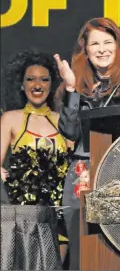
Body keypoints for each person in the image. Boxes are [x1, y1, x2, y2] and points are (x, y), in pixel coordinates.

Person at [54, 17, 120, 269]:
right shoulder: (75, 85)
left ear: (118, 45)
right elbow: (69, 131)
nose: (101, 49)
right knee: (83, 252)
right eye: (94, 44)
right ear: (85, 50)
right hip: (82, 175)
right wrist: (70, 88)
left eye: (108, 42)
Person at [0, 49, 70, 261]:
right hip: (22, 217)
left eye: (44, 79)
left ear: (51, 85)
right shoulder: (11, 118)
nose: (37, 85)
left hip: (59, 215)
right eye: (30, 79)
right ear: (22, 85)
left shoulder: (64, 121)